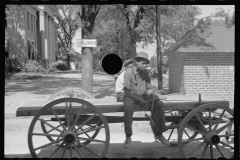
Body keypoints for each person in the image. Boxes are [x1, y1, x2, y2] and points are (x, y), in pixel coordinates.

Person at [123, 52, 170, 148]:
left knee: (159, 104)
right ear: (136, 62)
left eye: (145, 64)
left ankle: (159, 134)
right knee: (128, 107)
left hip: (143, 96)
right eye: (142, 63)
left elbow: (148, 88)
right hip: (131, 96)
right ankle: (128, 136)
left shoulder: (145, 73)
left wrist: (156, 95)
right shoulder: (128, 73)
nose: (144, 65)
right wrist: (139, 100)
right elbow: (126, 92)